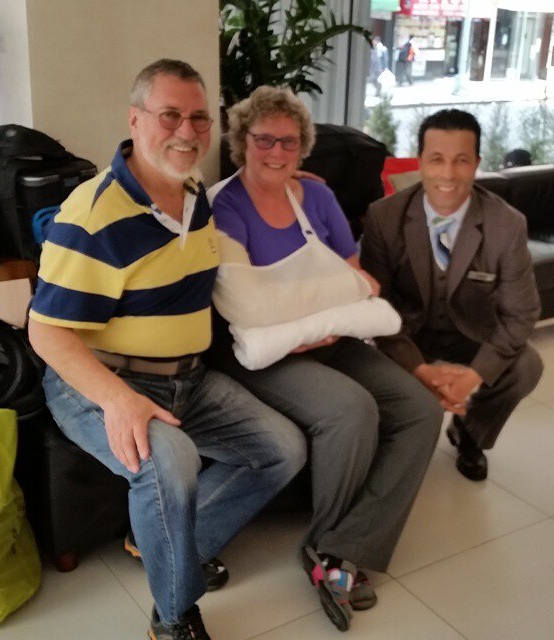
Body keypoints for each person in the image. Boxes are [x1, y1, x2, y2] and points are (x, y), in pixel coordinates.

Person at [28, 60, 306, 640]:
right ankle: (175, 614)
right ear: (135, 120)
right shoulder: (93, 215)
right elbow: (46, 332)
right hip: (99, 379)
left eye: (200, 117)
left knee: (281, 450)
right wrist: (118, 400)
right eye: (170, 115)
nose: (188, 131)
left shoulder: (193, 189)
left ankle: (166, 545)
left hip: (187, 378)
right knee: (170, 463)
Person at [207, 86, 443, 633]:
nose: (276, 152)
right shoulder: (224, 205)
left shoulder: (316, 196)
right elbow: (247, 307)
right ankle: (328, 552)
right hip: (258, 353)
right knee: (350, 408)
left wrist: (312, 315)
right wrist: (324, 305)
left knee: (420, 409)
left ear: (303, 146)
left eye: (288, 142)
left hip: (330, 338)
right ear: (242, 140)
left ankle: (343, 545)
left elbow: (357, 278)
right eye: (264, 139)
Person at [361, 109, 543, 483]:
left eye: (461, 160)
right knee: (369, 371)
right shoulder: (383, 217)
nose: (448, 174)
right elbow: (376, 308)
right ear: (420, 161)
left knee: (527, 366)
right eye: (437, 159)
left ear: (477, 163)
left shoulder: (507, 224)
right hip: (405, 334)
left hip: (471, 335)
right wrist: (418, 368)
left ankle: (470, 434)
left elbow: (521, 313)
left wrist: (473, 377)